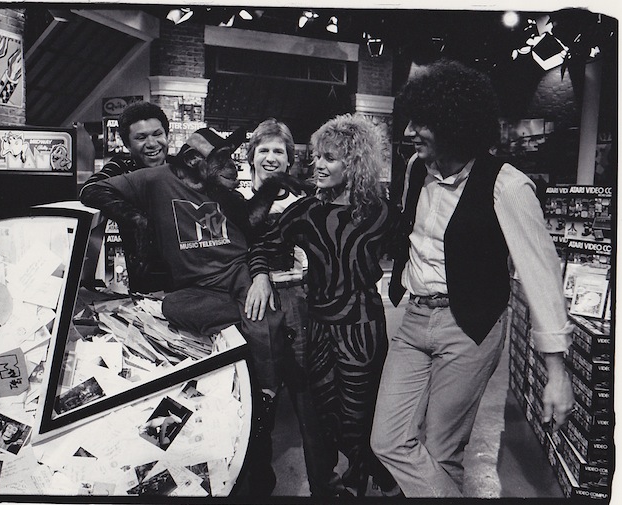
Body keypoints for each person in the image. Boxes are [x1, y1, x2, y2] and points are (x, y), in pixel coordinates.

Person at [370, 59, 575, 498]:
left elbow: (540, 275)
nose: (409, 132)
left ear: (454, 123)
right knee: (387, 441)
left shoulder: (507, 186)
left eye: (421, 123)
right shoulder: (414, 170)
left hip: (470, 327)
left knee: (442, 451)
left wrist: (556, 371)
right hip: (413, 319)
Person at [80, 126, 304, 495]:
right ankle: (267, 344)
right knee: (176, 307)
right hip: (197, 287)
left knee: (258, 315)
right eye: (222, 160)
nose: (231, 168)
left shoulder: (221, 190)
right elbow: (91, 191)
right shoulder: (155, 179)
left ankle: (265, 393)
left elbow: (251, 225)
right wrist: (137, 219)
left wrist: (271, 188)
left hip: (238, 272)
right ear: (193, 160)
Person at [246, 113, 399, 497]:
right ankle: (343, 487)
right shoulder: (306, 211)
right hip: (319, 328)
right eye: (316, 156)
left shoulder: (382, 212)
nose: (317, 164)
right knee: (326, 418)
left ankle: (364, 483)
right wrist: (260, 275)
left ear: (355, 162)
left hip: (362, 328)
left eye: (329, 158)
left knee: (359, 421)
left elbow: (412, 250)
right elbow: (262, 243)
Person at [237, 118, 338, 496]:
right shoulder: (237, 200)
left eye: (278, 151)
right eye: (263, 150)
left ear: (289, 158)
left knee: (308, 397)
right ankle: (259, 483)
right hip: (255, 305)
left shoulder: (306, 198)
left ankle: (324, 485)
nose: (270, 157)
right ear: (251, 156)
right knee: (258, 400)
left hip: (299, 300)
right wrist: (259, 274)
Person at [79, 101, 171, 293]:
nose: (152, 143)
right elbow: (89, 189)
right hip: (146, 287)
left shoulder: (181, 167)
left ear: (167, 135)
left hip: (190, 281)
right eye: (141, 137)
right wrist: (137, 219)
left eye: (157, 134)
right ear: (128, 144)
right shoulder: (122, 166)